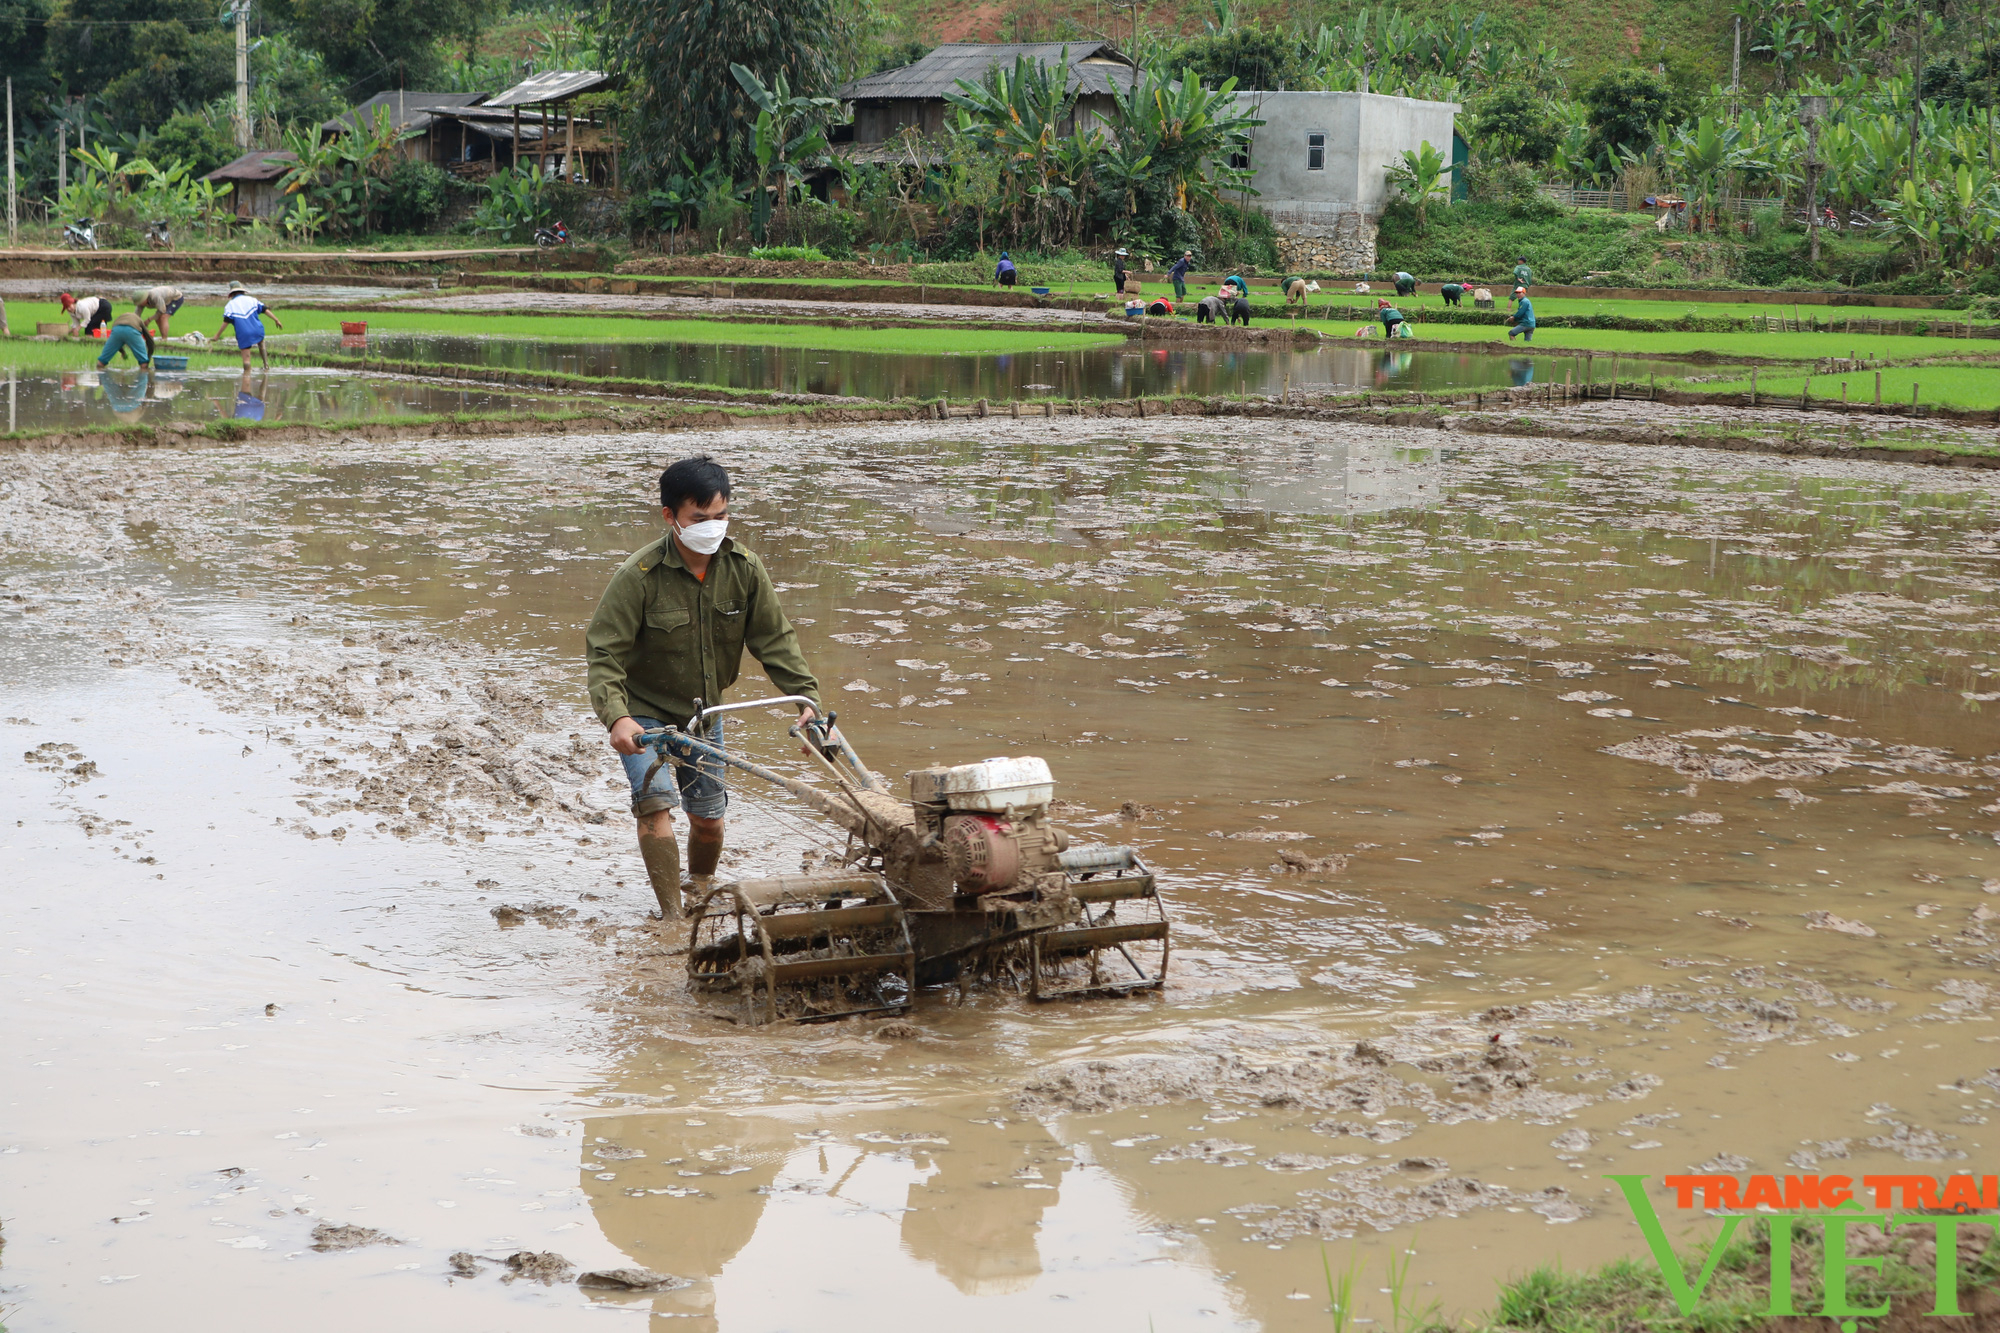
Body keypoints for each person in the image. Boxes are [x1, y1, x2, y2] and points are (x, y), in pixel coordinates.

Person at [586, 455, 823, 920]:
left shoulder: (744, 569)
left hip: (702, 714)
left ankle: (699, 887)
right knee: (654, 806)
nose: (712, 527)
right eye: (700, 518)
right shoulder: (639, 577)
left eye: (721, 516)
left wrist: (808, 700)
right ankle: (673, 919)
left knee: (709, 821)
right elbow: (604, 653)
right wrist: (617, 717)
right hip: (645, 712)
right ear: (670, 517)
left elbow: (775, 640)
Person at [217, 283, 283, 369]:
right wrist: (276, 320)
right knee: (261, 342)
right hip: (257, 329)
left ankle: (247, 376)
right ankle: (266, 364)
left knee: (246, 360)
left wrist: (217, 335)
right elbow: (265, 309)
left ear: (232, 293)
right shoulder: (252, 300)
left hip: (243, 333)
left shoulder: (230, 305)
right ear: (242, 291)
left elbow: (226, 321)